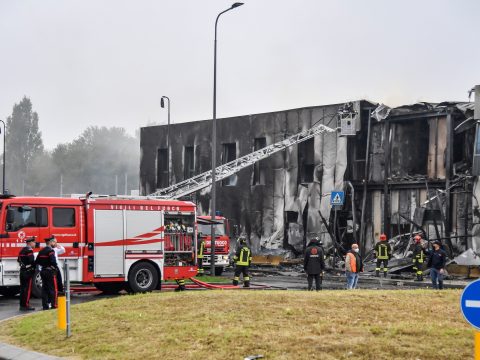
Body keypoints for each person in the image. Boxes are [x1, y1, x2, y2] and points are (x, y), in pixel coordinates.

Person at [35, 237, 59, 310]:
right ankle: (54, 304)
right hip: (50, 272)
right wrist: (54, 267)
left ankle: (45, 306)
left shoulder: (41, 251)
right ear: (51, 242)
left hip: (43, 271)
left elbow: (37, 261)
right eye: (54, 242)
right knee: (53, 289)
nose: (55, 244)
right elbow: (53, 261)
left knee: (44, 289)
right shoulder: (51, 251)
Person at [17, 237, 36, 311]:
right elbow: (31, 261)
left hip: (22, 270)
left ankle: (22, 305)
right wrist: (34, 267)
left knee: (22, 289)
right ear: (30, 243)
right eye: (34, 242)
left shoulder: (22, 250)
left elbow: (18, 260)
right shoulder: (29, 250)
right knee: (27, 289)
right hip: (28, 271)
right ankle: (26, 305)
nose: (34, 244)